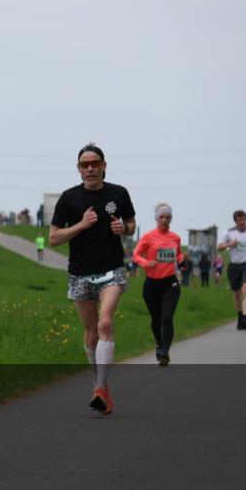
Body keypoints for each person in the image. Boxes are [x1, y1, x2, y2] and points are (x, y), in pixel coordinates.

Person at [49, 143, 136, 415]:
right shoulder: (68, 198)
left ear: (104, 166)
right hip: (80, 273)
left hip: (112, 270)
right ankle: (101, 386)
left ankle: (99, 387)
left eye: (94, 163)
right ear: (78, 169)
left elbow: (131, 224)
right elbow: (53, 238)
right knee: (90, 334)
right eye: (84, 165)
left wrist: (125, 228)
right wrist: (81, 225)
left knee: (105, 322)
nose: (90, 169)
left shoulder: (119, 193)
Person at [133, 203, 183, 366]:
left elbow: (179, 254)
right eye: (161, 217)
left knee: (167, 317)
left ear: (171, 219)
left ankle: (165, 351)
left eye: (168, 217)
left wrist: (182, 260)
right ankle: (159, 343)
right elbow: (135, 255)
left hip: (170, 283)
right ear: (156, 218)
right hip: (152, 285)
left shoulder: (175, 237)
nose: (164, 220)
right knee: (156, 319)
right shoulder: (148, 237)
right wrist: (146, 263)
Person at [217, 210, 246, 331]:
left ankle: (245, 317)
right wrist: (230, 243)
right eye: (239, 220)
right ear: (235, 221)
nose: (242, 222)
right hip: (234, 266)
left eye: (244, 219)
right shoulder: (229, 232)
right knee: (237, 293)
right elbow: (220, 247)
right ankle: (240, 314)